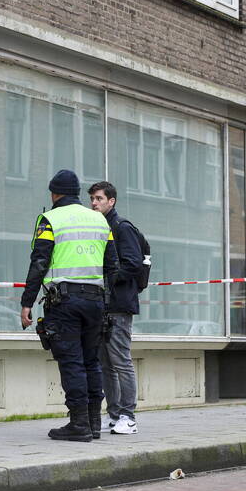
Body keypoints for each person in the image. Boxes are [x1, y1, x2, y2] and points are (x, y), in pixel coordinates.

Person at [20, 170, 119, 441]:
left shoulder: (50, 219)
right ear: (76, 193)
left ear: (54, 193)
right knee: (91, 362)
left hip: (64, 302)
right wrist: (106, 305)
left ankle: (78, 424)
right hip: (95, 302)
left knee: (72, 362)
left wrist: (26, 303)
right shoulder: (100, 220)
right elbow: (113, 266)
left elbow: (39, 262)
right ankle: (93, 423)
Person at [88, 181, 142, 435]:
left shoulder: (121, 227)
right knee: (105, 363)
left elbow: (133, 263)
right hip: (102, 305)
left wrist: (109, 278)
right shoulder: (99, 227)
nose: (94, 203)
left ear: (112, 201)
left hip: (119, 305)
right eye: (92, 199)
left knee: (121, 361)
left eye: (99, 198)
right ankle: (114, 413)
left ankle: (128, 417)